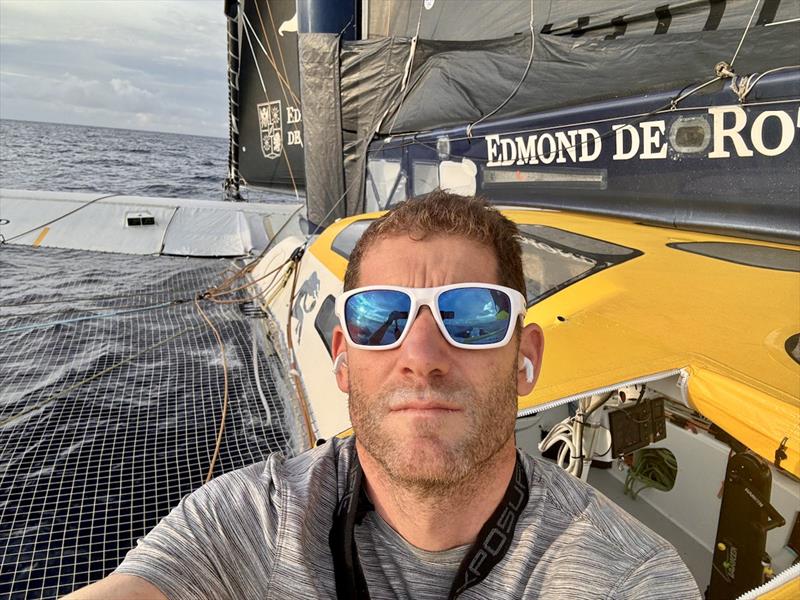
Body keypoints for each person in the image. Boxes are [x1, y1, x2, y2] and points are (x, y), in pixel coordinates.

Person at [65, 191, 701, 599]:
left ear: (525, 359)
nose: (421, 360)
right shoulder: (257, 520)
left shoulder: (622, 576)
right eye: (380, 318)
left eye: (473, 316)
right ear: (342, 359)